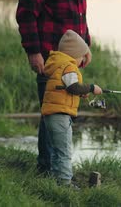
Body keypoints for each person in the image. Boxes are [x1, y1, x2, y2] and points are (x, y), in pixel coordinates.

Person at [16, 0, 92, 175]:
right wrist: (34, 52)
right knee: (53, 112)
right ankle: (48, 170)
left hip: (72, 58)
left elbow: (80, 14)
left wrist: (85, 47)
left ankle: (52, 168)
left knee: (63, 110)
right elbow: (26, 17)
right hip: (50, 58)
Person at [41, 30, 102, 187]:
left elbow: (64, 88)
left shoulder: (57, 65)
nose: (82, 60)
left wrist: (79, 94)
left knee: (56, 150)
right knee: (64, 151)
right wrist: (91, 88)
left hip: (51, 115)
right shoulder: (69, 67)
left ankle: (56, 180)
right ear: (75, 53)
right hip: (60, 116)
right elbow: (73, 87)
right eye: (82, 56)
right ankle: (65, 183)